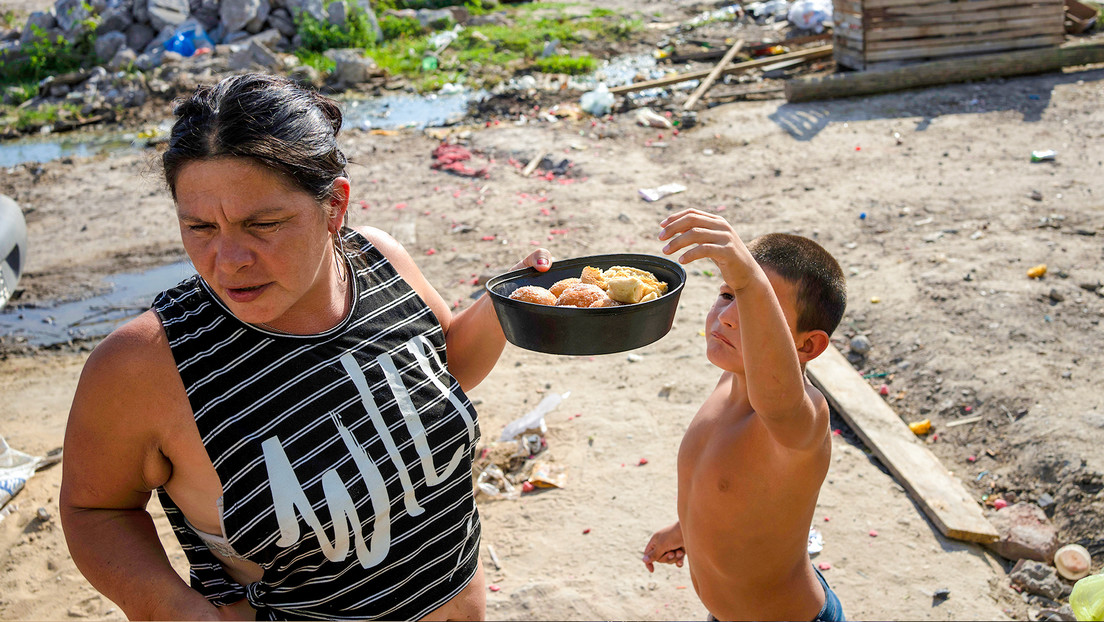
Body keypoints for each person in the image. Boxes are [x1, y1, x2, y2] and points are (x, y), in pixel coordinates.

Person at [59, 73, 551, 621]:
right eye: (199, 227)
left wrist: (507, 301)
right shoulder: (148, 363)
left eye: (263, 224)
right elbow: (96, 509)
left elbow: (446, 363)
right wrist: (175, 610)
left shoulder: (377, 260)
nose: (228, 260)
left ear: (334, 206)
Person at [642, 208, 847, 622]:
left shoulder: (801, 421)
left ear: (807, 347)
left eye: (756, 308)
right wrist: (687, 527)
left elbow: (780, 401)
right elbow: (733, 489)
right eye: (727, 294)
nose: (729, 315)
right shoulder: (727, 385)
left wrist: (750, 280)